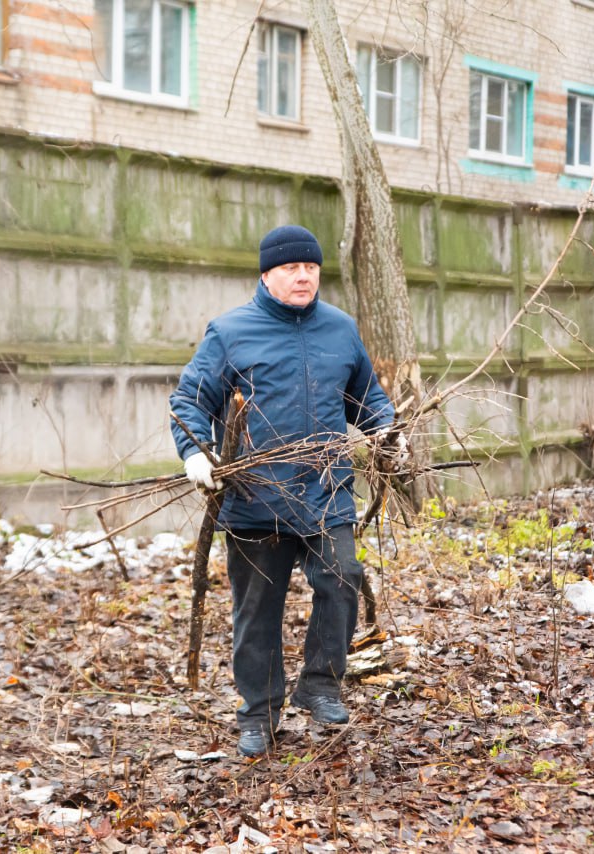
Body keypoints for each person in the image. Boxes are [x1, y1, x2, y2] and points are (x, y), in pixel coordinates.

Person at [169, 224, 402, 758]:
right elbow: (189, 402)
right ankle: (258, 713)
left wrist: (388, 432)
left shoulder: (341, 330)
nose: (303, 276)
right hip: (255, 499)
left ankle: (320, 683)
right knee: (257, 610)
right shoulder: (230, 333)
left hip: (324, 491)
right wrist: (196, 453)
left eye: (312, 268)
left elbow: (367, 399)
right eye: (292, 268)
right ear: (266, 274)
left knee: (343, 576)